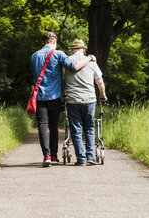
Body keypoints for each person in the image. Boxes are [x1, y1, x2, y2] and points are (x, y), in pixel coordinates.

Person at [30, 32, 96, 167]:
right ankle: (54, 156)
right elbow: (75, 67)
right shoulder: (58, 54)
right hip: (54, 96)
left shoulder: (34, 56)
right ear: (54, 41)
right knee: (53, 126)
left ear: (44, 42)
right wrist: (89, 58)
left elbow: (34, 77)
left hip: (39, 97)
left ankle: (46, 155)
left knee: (42, 125)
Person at [64, 39, 107, 166]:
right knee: (89, 127)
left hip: (72, 99)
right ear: (83, 49)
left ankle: (81, 159)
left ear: (72, 49)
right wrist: (103, 95)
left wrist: (63, 96)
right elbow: (99, 82)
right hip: (89, 99)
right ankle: (90, 156)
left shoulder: (66, 62)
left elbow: (62, 82)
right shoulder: (92, 63)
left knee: (76, 129)